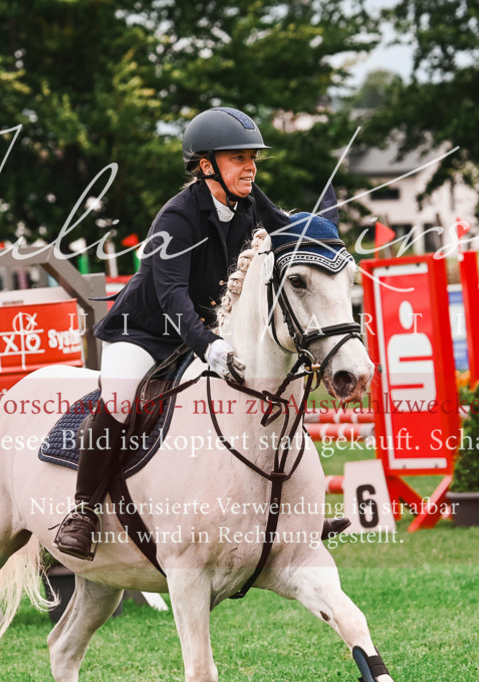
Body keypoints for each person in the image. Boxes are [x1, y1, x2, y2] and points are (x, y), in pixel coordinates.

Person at [53, 106, 348, 561]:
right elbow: (172, 297)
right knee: (119, 399)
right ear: (207, 165)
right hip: (144, 332)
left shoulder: (248, 200)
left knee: (269, 390)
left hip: (203, 327)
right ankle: (83, 511)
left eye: (252, 157)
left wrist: (325, 238)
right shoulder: (177, 218)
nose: (250, 167)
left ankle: (294, 514)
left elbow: (288, 229)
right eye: (238, 158)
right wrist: (209, 344)